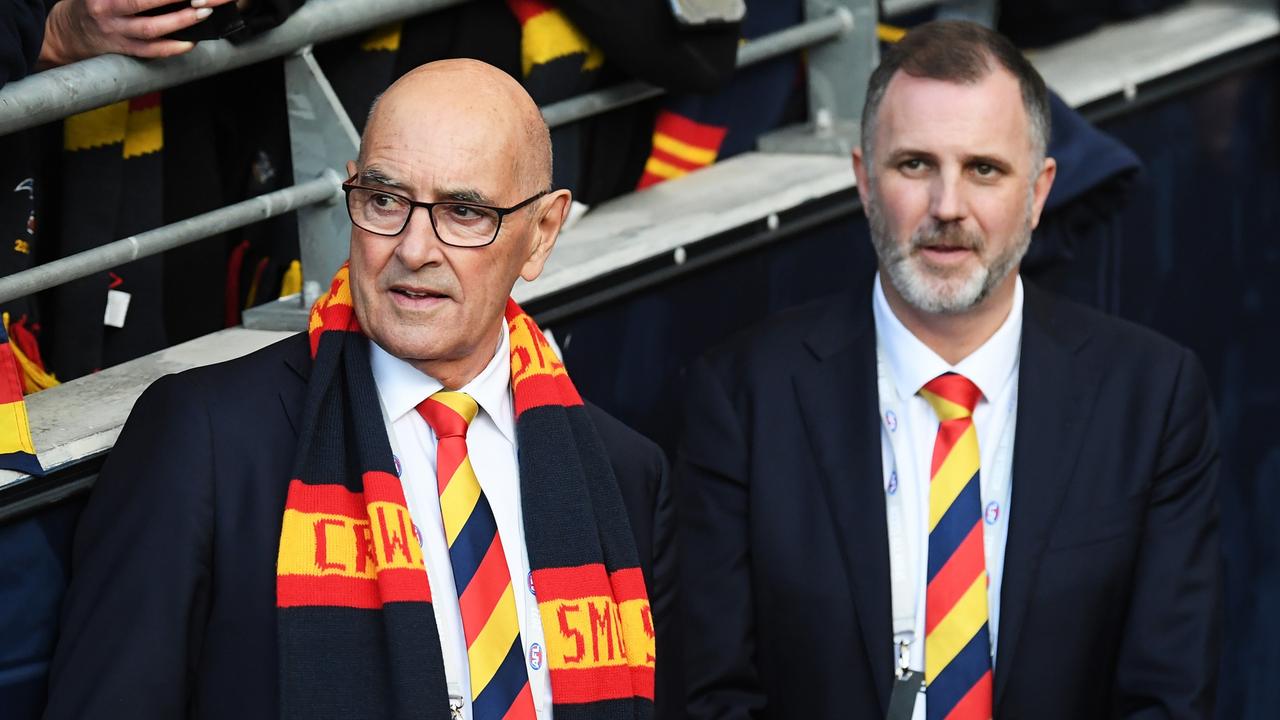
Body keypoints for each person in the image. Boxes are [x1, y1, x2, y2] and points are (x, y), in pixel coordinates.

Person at [44, 59, 670, 720]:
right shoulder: (206, 440)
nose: (414, 249)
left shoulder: (624, 475)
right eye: (385, 201)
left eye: (463, 212)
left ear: (541, 234)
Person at [676, 20, 1219, 720]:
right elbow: (711, 697)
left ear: (1039, 190)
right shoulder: (744, 397)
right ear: (864, 182)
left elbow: (1169, 698)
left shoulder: (1151, 397)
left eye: (984, 169)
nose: (948, 207)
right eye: (915, 165)